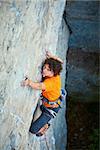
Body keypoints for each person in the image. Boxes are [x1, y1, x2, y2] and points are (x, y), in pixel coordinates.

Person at [21, 51, 63, 136]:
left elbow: (39, 86)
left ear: (53, 73)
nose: (44, 70)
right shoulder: (56, 73)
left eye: (48, 70)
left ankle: (46, 125)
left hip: (50, 110)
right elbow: (61, 62)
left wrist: (29, 82)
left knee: (34, 130)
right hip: (50, 102)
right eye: (45, 67)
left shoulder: (50, 83)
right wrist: (52, 57)